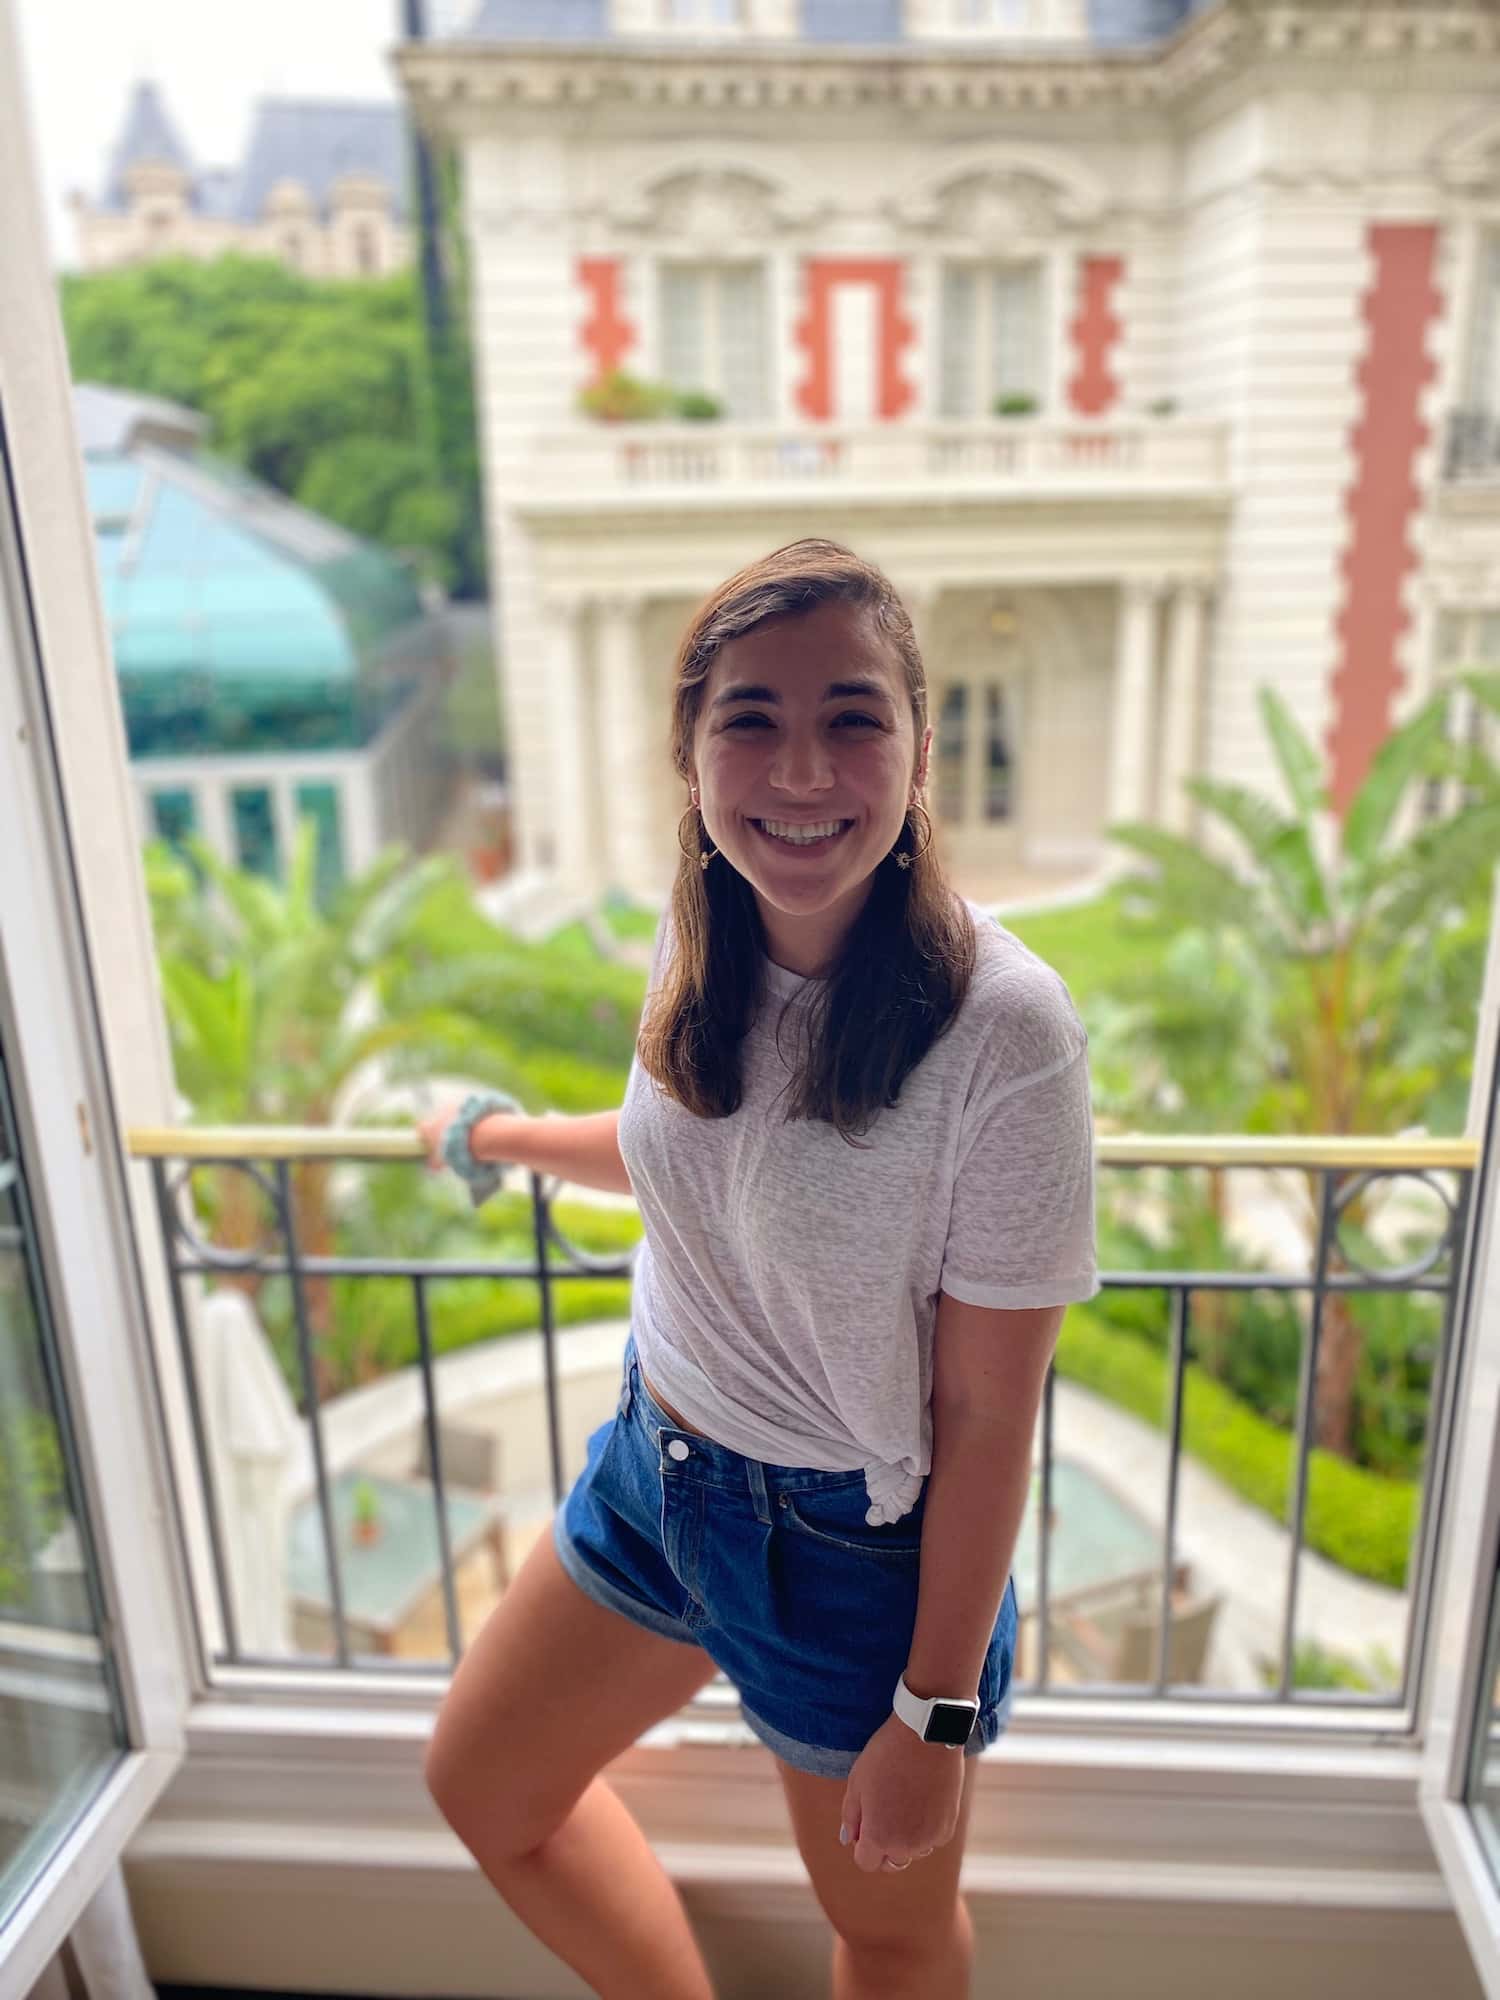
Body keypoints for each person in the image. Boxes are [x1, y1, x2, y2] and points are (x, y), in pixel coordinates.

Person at [420, 540, 1098, 2000]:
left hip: (853, 1555)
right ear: (693, 755)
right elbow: (697, 1155)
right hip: (656, 1477)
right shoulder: (705, 924)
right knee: (485, 1786)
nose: (801, 772)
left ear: (918, 750)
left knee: (891, 1929)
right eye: (751, 719)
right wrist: (502, 1138)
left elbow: (988, 1415)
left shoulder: (1007, 1035)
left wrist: (933, 1708)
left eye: (852, 716)